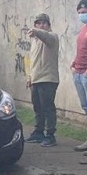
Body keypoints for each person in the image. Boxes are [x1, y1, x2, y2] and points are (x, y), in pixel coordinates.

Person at [25, 13, 60, 147]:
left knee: (47, 108)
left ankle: (50, 135)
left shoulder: (52, 37)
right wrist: (29, 77)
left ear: (49, 26)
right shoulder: (34, 41)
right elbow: (32, 61)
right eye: (38, 23)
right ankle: (38, 132)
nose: (41, 25)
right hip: (36, 79)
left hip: (48, 79)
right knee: (37, 108)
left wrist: (35, 30)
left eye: (44, 23)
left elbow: (45, 36)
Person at [72, 0, 87, 152]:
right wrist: (74, 64)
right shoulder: (83, 29)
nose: (82, 15)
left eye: (84, 12)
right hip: (79, 72)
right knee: (85, 107)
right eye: (80, 12)